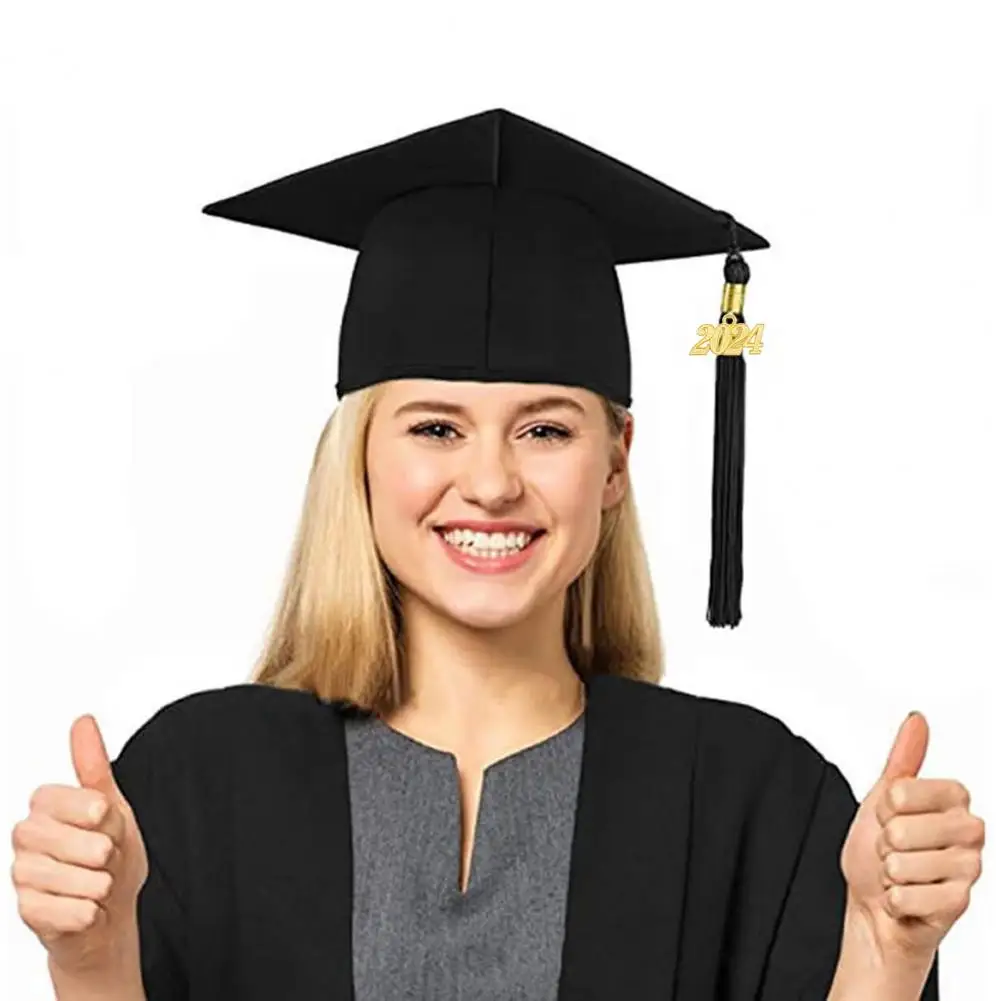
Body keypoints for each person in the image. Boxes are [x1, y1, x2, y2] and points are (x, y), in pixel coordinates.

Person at [11, 109, 985, 1001]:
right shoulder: (199, 782)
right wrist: (91, 962)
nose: (489, 483)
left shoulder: (750, 795)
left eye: (545, 431)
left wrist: (881, 950)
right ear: (358, 455)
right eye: (434, 428)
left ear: (614, 462)